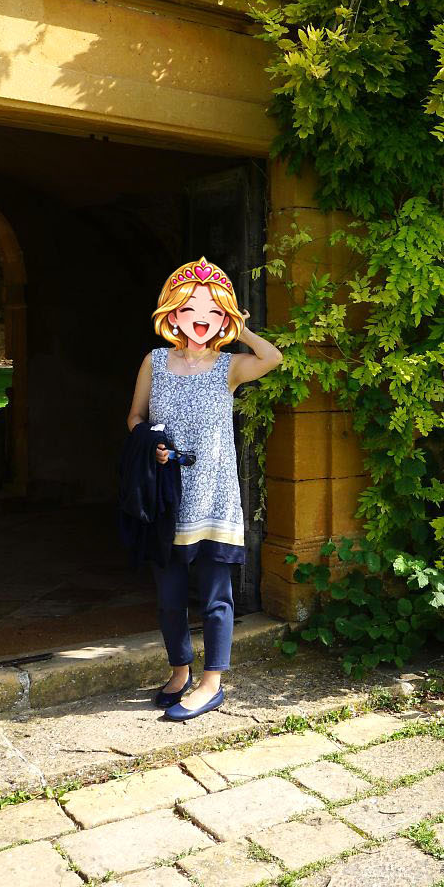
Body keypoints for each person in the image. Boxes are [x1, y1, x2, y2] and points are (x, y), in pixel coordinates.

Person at [125, 257, 283, 720]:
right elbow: (135, 416)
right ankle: (180, 672)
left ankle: (212, 683)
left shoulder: (229, 366)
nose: (202, 318)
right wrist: (150, 443)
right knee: (169, 597)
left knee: (216, 597)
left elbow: (272, 358)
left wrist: (242, 330)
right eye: (191, 308)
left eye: (215, 310)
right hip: (167, 498)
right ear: (172, 313)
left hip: (214, 499)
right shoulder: (155, 361)